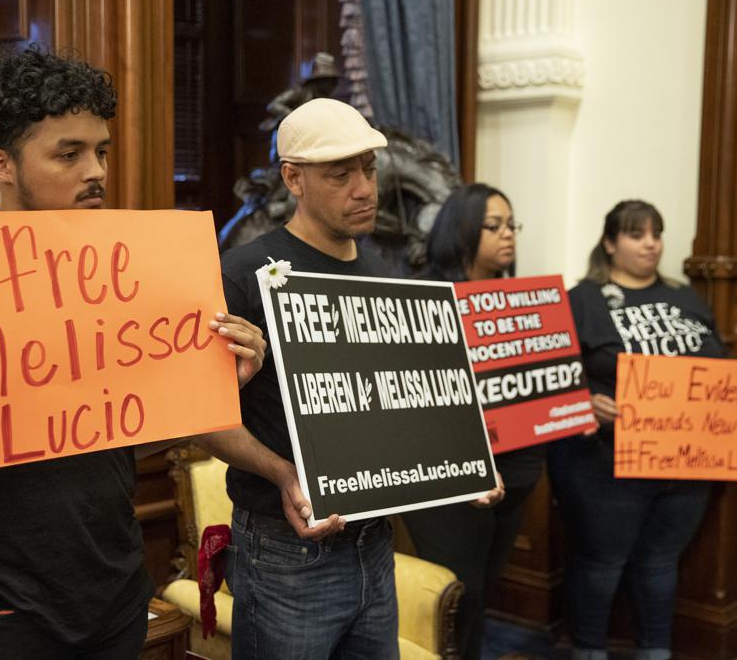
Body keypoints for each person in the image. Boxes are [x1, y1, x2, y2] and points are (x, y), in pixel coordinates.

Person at [0, 46, 265, 660]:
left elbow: (122, 434)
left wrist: (222, 378)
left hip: (116, 602)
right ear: (1, 163)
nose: (95, 170)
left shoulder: (129, 273)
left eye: (101, 151)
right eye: (69, 153)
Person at [193, 99, 504, 658]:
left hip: (375, 545)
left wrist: (465, 463)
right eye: (341, 175)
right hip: (286, 553)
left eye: (368, 169)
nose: (364, 189)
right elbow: (203, 421)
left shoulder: (387, 276)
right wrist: (284, 474)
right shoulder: (242, 274)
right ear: (294, 179)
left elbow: (404, 406)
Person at [547, 200, 725, 660]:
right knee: (600, 565)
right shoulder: (582, 298)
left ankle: (655, 652)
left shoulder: (686, 296)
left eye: (656, 234)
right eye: (636, 234)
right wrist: (582, 402)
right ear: (610, 243)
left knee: (661, 562)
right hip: (602, 465)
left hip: (685, 462)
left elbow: (723, 373)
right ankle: (588, 652)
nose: (651, 244)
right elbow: (546, 379)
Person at [400, 183, 536, 659]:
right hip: (450, 479)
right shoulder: (424, 298)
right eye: (493, 226)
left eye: (511, 226)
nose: (508, 236)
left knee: (482, 595)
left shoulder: (522, 302)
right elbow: (413, 401)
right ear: (460, 229)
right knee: (460, 595)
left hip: (516, 471)